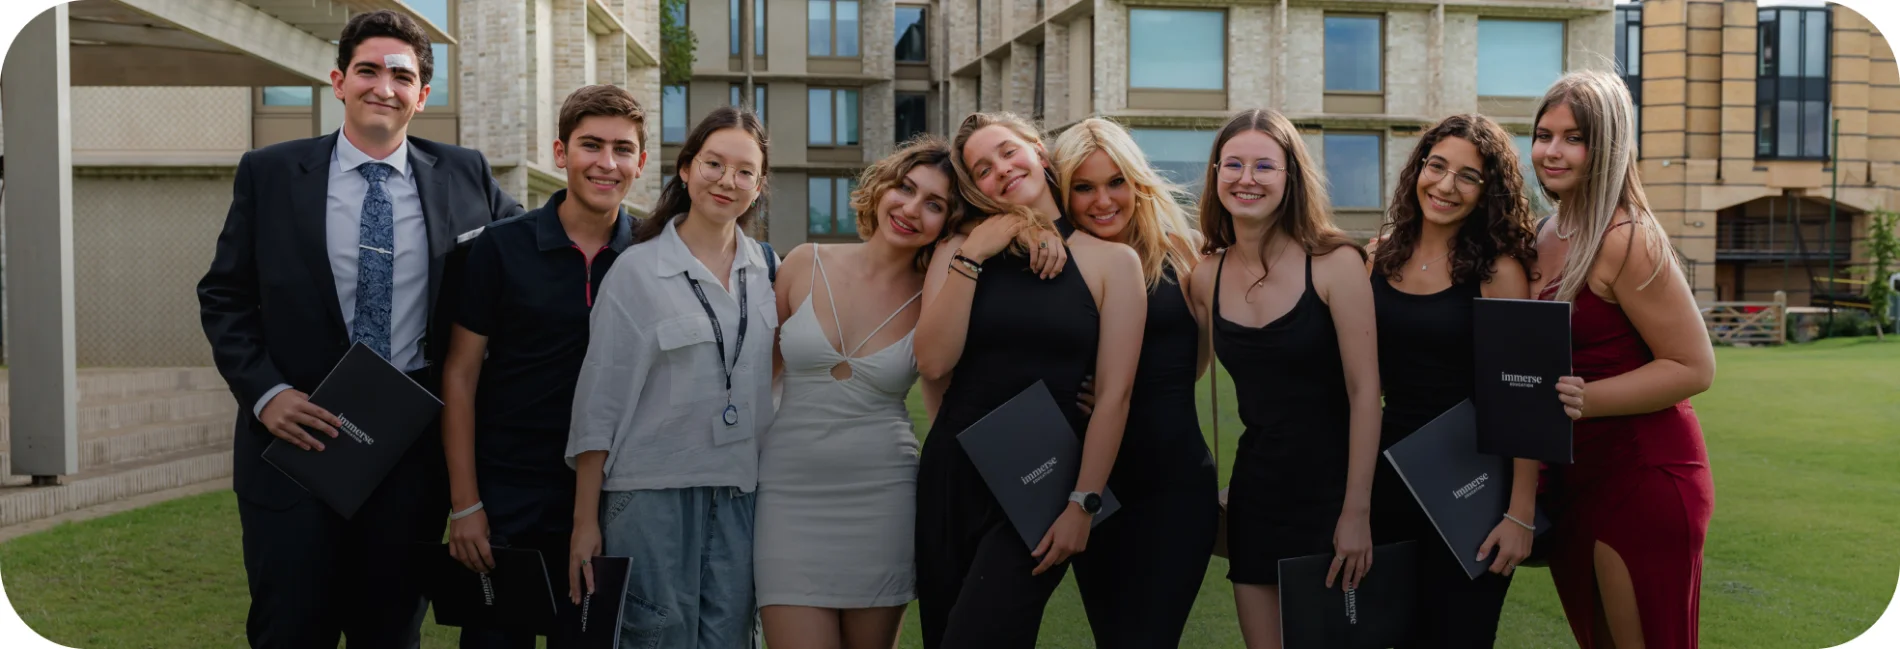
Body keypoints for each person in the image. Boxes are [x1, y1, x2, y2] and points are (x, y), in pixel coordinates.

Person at [197, 10, 523, 647]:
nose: (383, 86)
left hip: (408, 456)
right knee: (288, 631)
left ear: (422, 95)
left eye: (401, 75)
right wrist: (267, 395)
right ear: (339, 81)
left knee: (390, 634)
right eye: (367, 70)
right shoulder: (269, 174)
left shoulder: (466, 175)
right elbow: (224, 297)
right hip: (294, 449)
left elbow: (535, 251)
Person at [912, 112, 1147, 649]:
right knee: (942, 634)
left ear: (1039, 153)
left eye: (1008, 153)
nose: (1002, 170)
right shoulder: (959, 249)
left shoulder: (1113, 262)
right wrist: (975, 253)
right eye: (983, 169)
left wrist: (1082, 502)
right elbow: (933, 362)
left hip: (1039, 488)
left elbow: (1115, 395)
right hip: (953, 474)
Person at [439, 84, 647, 649]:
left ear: (641, 162)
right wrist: (467, 505)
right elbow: (459, 375)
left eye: (623, 149)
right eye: (591, 145)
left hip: (613, 499)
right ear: (561, 154)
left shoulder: (652, 256)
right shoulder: (499, 248)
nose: (607, 163)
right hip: (506, 501)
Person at [565, 106, 775, 649]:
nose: (728, 180)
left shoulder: (769, 271)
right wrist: (584, 522)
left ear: (760, 184)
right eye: (713, 163)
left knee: (732, 639)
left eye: (745, 171)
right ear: (685, 170)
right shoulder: (637, 270)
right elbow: (599, 405)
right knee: (654, 639)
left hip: (738, 494)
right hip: (649, 496)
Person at [1528, 69, 1716, 649]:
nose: (1552, 151)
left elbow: (1693, 366)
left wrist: (1585, 398)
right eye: (1543, 134)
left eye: (1574, 137)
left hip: (1642, 474)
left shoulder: (1628, 238)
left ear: (1606, 147)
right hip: (1571, 476)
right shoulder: (1543, 231)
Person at [1184, 109, 1381, 649]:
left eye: (1264, 166)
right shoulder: (1205, 276)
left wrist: (1357, 513)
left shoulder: (1336, 263)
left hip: (1334, 496)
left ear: (1291, 177)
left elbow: (1367, 395)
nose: (1247, 178)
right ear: (1216, 174)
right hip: (1256, 494)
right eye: (1234, 164)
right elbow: (1184, 373)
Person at [753, 135, 959, 649]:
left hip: (883, 502)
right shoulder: (804, 262)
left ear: (949, 225)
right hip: (786, 497)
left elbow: (947, 409)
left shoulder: (938, 296)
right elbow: (758, 380)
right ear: (882, 187)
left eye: (934, 204)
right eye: (906, 188)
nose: (911, 209)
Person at [1366, 114, 1540, 648]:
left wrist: (1521, 514)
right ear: (1418, 168)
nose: (1445, 185)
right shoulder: (1376, 256)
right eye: (1436, 166)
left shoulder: (1498, 271)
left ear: (1489, 192)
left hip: (1474, 490)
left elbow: (1522, 394)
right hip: (1387, 482)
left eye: (1468, 176)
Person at [1053, 118, 1219, 648]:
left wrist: (1128, 392)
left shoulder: (1185, 251)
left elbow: (1197, 361)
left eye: (1115, 182)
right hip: (1091, 487)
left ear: (1137, 181)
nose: (1102, 200)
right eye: (1083, 187)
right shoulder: (1062, 261)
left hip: (1174, 485)